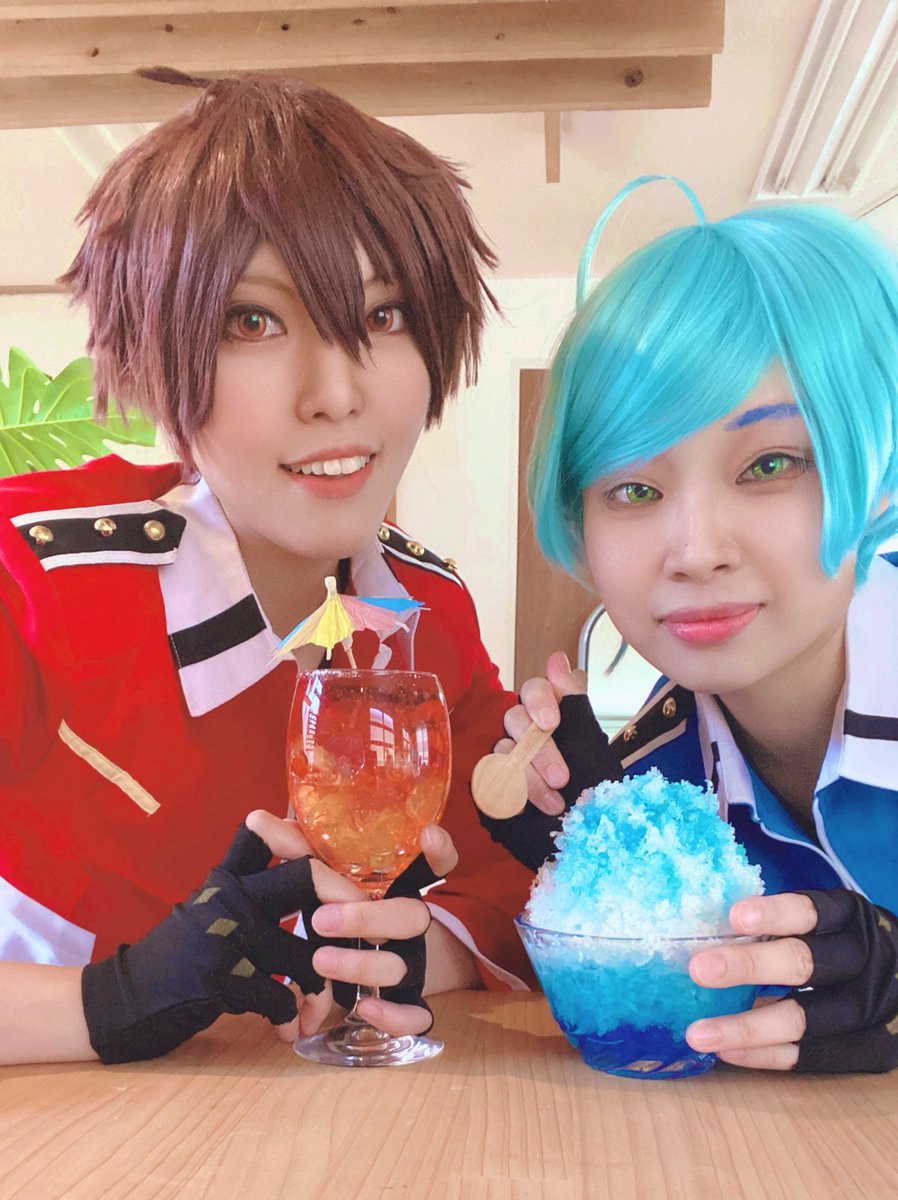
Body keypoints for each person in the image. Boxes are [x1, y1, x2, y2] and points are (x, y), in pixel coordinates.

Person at [0, 72, 534, 1066]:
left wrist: (411, 957)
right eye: (253, 322)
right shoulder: (26, 584)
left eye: (383, 316)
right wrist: (112, 1001)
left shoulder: (428, 614)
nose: (336, 394)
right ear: (155, 360)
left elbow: (513, 884)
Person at [487, 176, 898, 1073]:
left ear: (879, 475)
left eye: (771, 464)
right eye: (634, 488)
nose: (696, 551)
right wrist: (588, 859)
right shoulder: (657, 782)